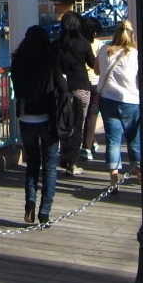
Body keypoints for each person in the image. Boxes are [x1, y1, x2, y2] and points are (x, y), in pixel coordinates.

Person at [10, 26, 68, 224]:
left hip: (26, 119)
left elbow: (17, 88)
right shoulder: (51, 61)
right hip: (48, 119)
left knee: (32, 162)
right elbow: (63, 87)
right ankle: (45, 211)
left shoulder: (17, 62)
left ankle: (30, 202)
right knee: (50, 166)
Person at [98, 20, 141, 185]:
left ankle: (113, 180)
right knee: (134, 140)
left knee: (112, 141)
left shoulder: (104, 50)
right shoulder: (135, 54)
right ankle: (140, 174)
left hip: (108, 100)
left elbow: (96, 70)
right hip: (131, 101)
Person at [56, 11, 98, 175]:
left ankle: (63, 156)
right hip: (81, 86)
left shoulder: (57, 44)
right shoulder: (83, 43)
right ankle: (72, 164)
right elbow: (92, 63)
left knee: (64, 123)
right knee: (78, 126)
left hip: (63, 89)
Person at [80, 16, 104, 161]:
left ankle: (92, 141)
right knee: (92, 115)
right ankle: (87, 147)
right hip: (96, 83)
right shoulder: (100, 45)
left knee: (83, 116)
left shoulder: (78, 44)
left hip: (82, 82)